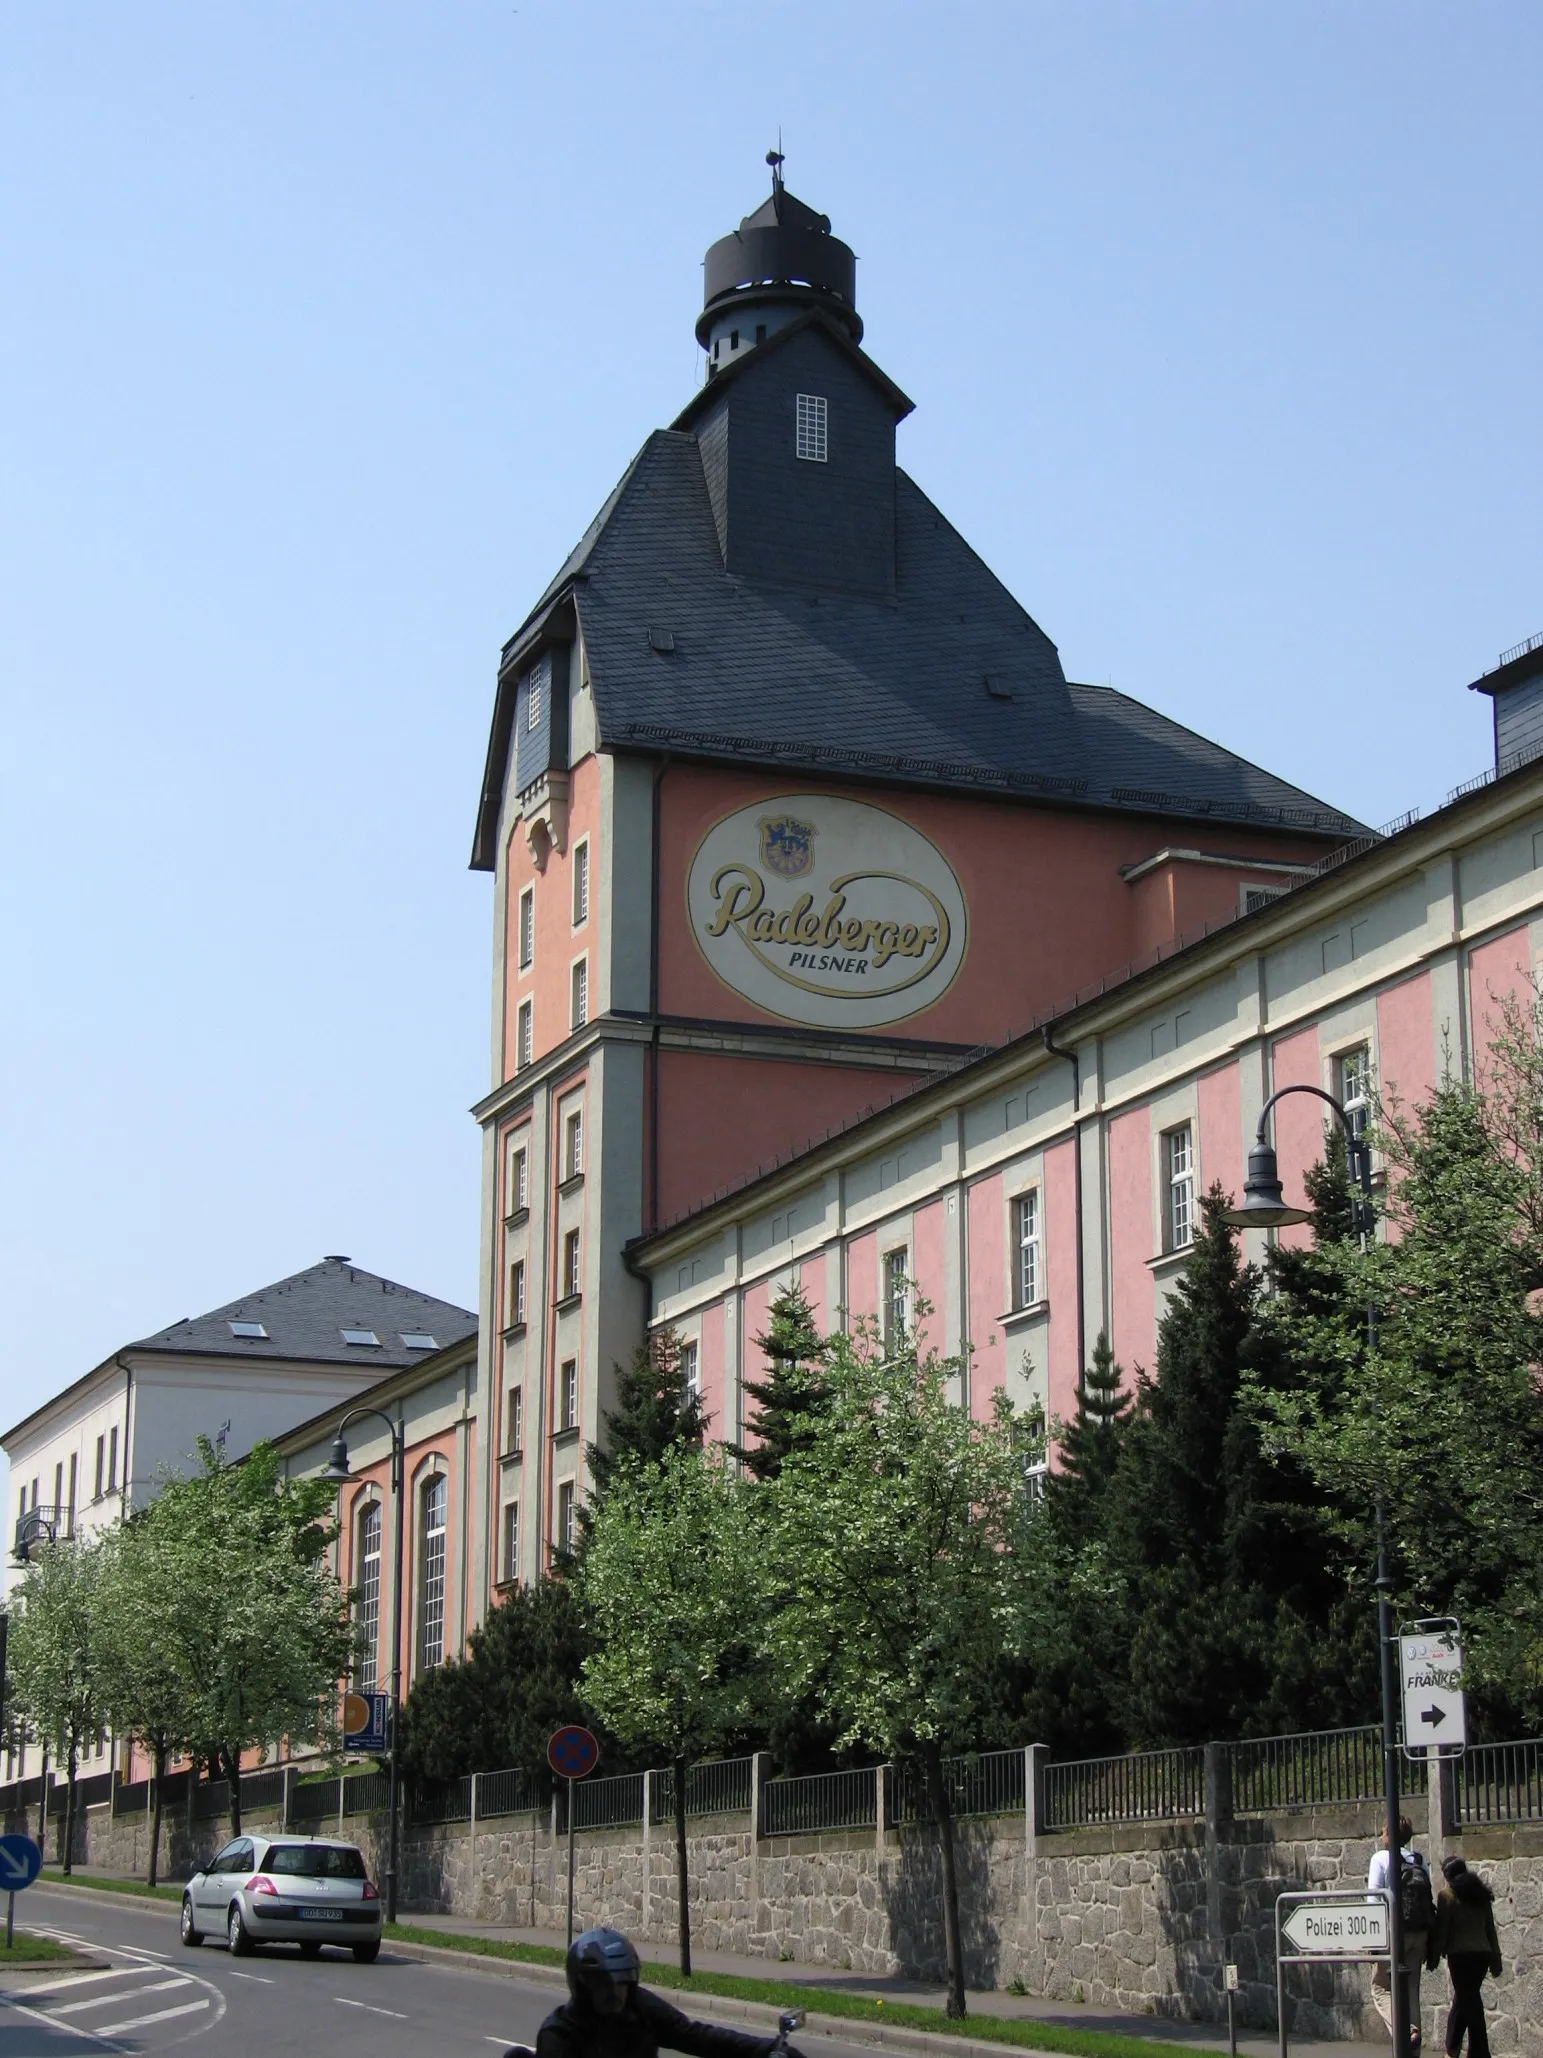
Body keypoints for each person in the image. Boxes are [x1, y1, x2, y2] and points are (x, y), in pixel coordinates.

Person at [535, 1928, 809, 2058]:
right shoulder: (559, 2036)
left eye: (622, 1983)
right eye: (603, 1983)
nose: (615, 1993)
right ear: (582, 1985)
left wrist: (769, 2049)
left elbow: (696, 2036)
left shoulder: (639, 2008)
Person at [1368, 1816, 1435, 2049]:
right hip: (1419, 1932)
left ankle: (1406, 2032)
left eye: (1383, 1831)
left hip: (1392, 1933)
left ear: (1390, 1835)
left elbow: (1374, 1899)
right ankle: (1413, 2047)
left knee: (1380, 1988)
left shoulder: (1381, 1858)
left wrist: (1372, 1940)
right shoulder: (1419, 1859)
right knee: (1411, 1989)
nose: (1380, 1835)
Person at [1429, 1857, 1502, 2058]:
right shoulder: (1480, 1895)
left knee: (1469, 2001)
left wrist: (1434, 1956)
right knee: (1464, 2000)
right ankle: (1453, 2050)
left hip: (1460, 1957)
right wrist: (1496, 1960)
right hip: (1481, 1956)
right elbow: (1490, 1929)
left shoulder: (1447, 1896)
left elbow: (1443, 1930)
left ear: (1448, 1876)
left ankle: (1478, 2052)